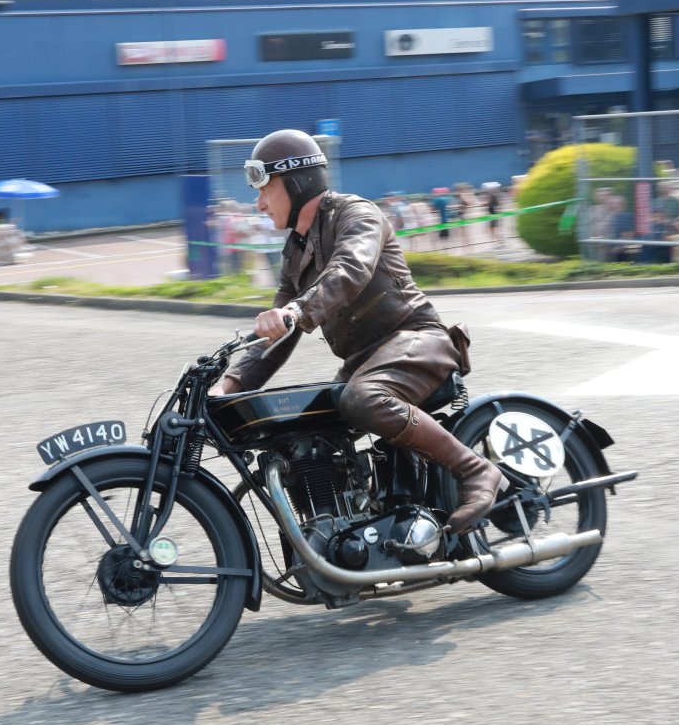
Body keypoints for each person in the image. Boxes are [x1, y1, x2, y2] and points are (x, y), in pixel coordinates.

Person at [214, 130, 506, 537]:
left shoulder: (356, 214)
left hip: (416, 340)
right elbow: (276, 338)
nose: (259, 203)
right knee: (303, 421)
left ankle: (476, 471)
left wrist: (295, 310)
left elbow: (350, 269)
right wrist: (227, 387)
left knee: (362, 398)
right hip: (365, 362)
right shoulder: (295, 252)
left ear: (296, 182)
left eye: (266, 189)